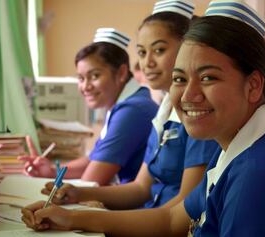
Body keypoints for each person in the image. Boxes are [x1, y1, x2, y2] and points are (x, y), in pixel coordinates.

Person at [21, 1, 265, 236]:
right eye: (180, 79)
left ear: (253, 85)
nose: (187, 97)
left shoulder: (259, 176)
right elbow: (172, 219)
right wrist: (73, 217)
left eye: (209, 78)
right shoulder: (235, 145)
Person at [22, 0, 218, 211]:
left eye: (159, 50)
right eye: (142, 53)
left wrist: (82, 212)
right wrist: (70, 187)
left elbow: (179, 215)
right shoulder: (163, 112)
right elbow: (140, 187)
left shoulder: (136, 110)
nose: (147, 63)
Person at [18, 28, 158, 186]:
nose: (85, 86)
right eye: (80, 78)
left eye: (95, 76)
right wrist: (50, 171)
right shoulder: (130, 102)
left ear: (121, 73)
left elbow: (89, 184)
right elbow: (95, 159)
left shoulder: (132, 111)